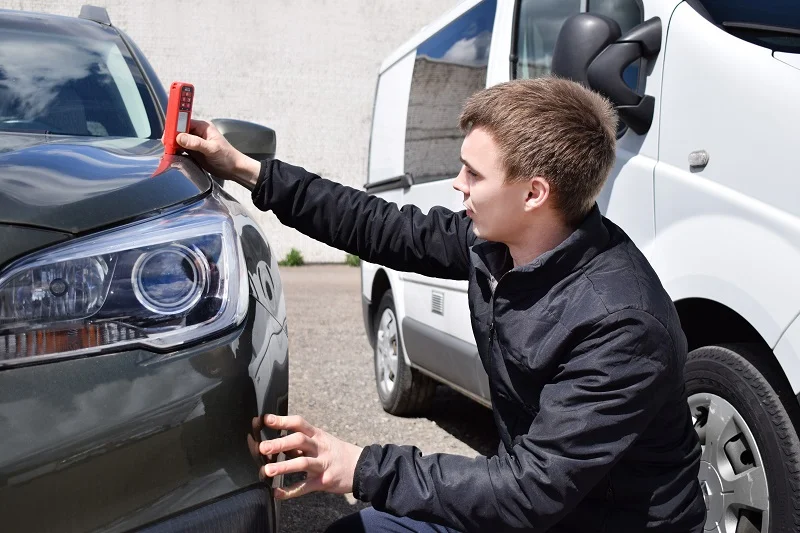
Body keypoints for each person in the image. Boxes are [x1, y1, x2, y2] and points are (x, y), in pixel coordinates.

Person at [176, 77, 706, 533]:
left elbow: (530, 490)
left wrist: (359, 467)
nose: (458, 184)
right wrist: (247, 169)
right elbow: (377, 224)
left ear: (533, 193)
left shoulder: (620, 325)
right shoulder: (499, 243)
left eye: (474, 174)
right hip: (538, 507)